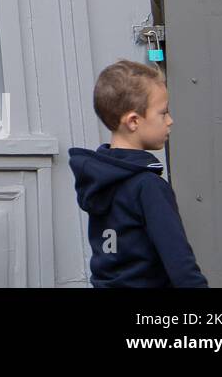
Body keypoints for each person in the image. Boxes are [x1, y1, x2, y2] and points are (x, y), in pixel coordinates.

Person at [69, 60, 208, 287]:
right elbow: (180, 262)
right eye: (163, 113)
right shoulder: (148, 186)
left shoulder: (99, 178)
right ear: (134, 121)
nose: (170, 120)